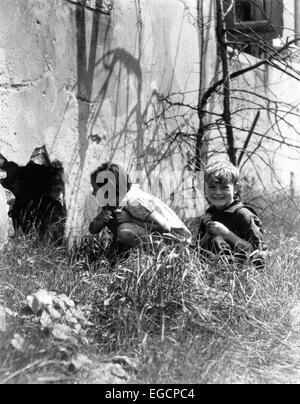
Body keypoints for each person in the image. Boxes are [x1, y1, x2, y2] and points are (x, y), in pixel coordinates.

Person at [89, 163, 192, 257]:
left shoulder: (133, 202)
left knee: (125, 230)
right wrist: (101, 221)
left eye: (95, 189)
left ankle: (147, 259)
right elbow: (93, 229)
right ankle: (127, 255)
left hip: (178, 242)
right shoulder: (111, 202)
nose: (93, 194)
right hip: (160, 237)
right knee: (120, 226)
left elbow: (165, 227)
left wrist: (131, 220)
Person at [197, 161, 267, 267]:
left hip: (241, 274)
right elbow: (200, 248)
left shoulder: (244, 214)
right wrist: (207, 233)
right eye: (212, 187)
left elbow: (258, 253)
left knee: (217, 240)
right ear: (205, 188)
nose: (218, 192)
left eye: (224, 187)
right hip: (212, 272)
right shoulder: (210, 212)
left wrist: (226, 234)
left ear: (236, 188)